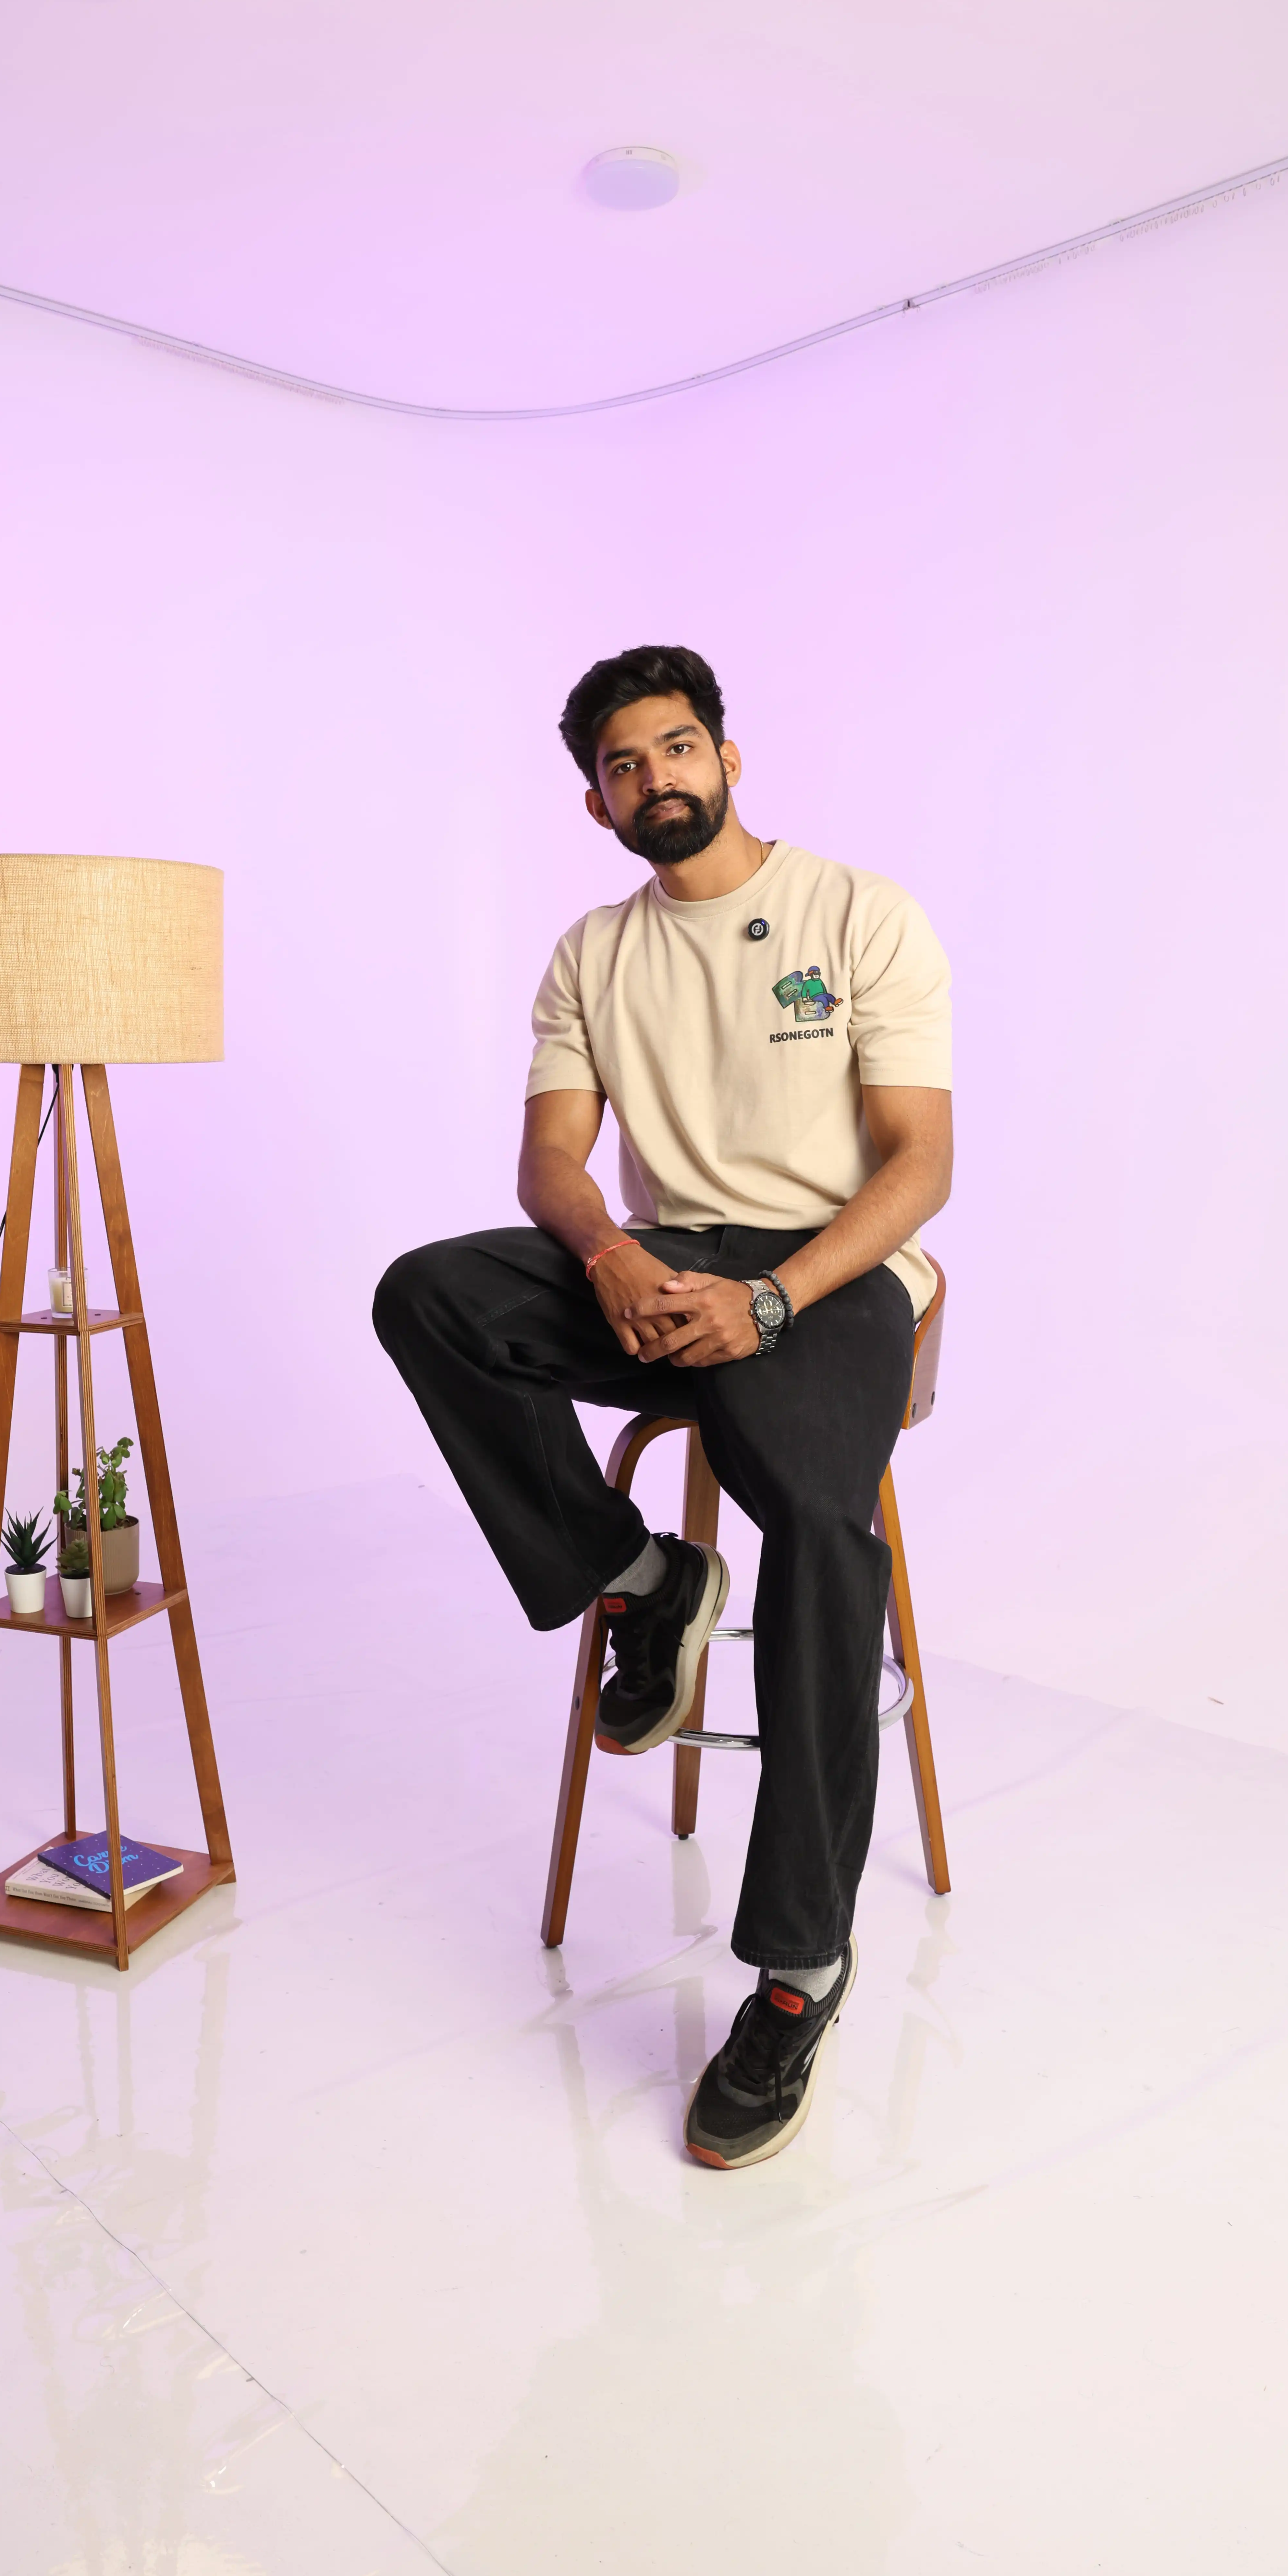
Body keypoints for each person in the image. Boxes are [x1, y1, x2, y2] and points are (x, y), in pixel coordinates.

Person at [373, 645, 952, 2168]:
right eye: (626, 765)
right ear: (594, 798)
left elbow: (917, 1165)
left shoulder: (857, 913)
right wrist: (617, 1254)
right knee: (429, 1292)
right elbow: (551, 1165)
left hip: (825, 1277)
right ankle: (643, 1574)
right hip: (665, 1259)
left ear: (730, 754)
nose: (658, 779)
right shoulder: (591, 950)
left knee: (822, 1534)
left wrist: (770, 1300)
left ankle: (796, 1969)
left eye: (677, 747)